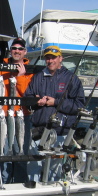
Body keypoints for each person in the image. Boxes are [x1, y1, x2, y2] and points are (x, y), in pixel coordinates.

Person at [24, 45, 85, 182]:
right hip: (38, 132)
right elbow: (27, 99)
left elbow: (79, 106)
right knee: (33, 167)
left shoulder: (72, 79)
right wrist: (35, 101)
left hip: (59, 133)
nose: (50, 61)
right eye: (47, 58)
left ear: (60, 58)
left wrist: (56, 102)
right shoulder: (38, 77)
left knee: (54, 171)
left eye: (53, 58)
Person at [0, 37, 34, 184]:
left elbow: (28, 94)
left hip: (22, 116)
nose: (17, 51)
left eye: (20, 49)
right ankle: (3, 183)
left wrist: (20, 77)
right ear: (10, 50)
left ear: (25, 52)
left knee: (20, 151)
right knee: (3, 150)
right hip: (3, 116)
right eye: (14, 48)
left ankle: (20, 184)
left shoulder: (31, 72)